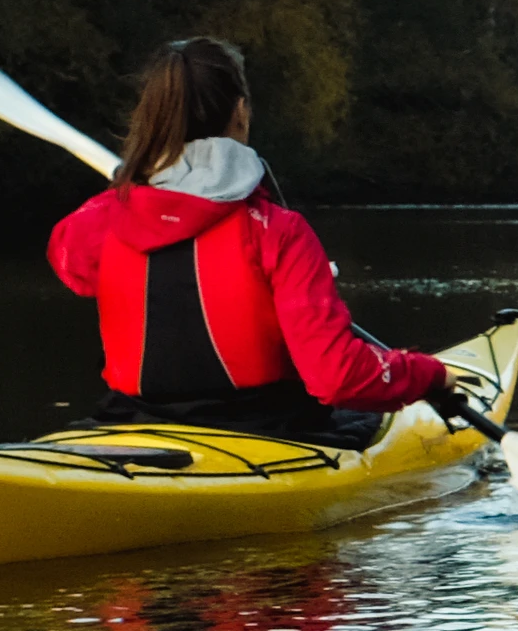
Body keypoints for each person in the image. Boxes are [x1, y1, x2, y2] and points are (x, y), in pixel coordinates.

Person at [45, 37, 454, 438]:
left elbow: (71, 263)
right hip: (263, 430)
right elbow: (338, 380)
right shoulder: (278, 231)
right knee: (358, 415)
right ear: (240, 112)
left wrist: (132, 186)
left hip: (133, 423)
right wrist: (429, 374)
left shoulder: (100, 222)